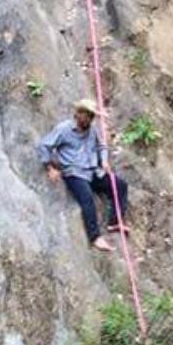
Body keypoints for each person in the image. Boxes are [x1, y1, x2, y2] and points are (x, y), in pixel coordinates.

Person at [37, 97, 130, 254]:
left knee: (120, 185)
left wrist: (105, 161)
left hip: (92, 170)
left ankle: (115, 221)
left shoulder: (92, 131)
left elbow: (101, 146)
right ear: (78, 113)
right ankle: (95, 237)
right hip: (74, 172)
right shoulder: (64, 129)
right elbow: (44, 145)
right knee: (87, 198)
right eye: (87, 115)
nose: (89, 119)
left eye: (92, 116)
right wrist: (49, 167)